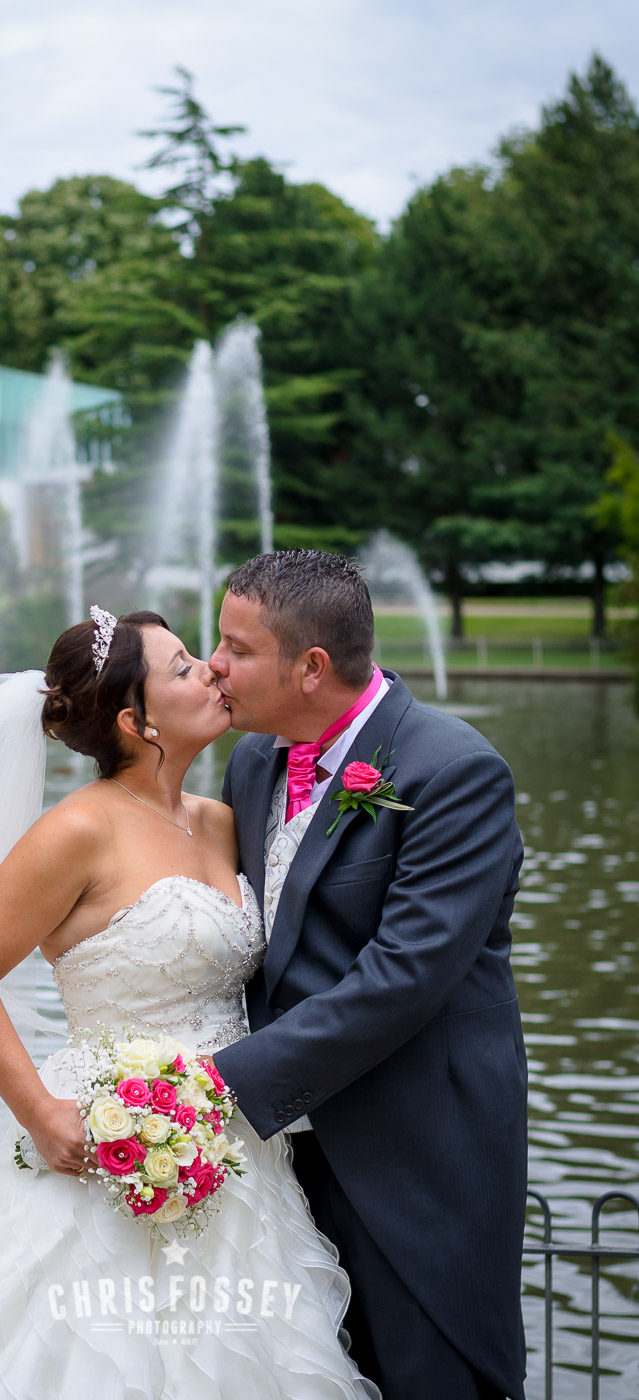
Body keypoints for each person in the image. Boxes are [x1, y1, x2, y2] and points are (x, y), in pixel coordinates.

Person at [0, 608, 380, 1400]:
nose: (212, 670)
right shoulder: (76, 829)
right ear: (134, 720)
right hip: (104, 1142)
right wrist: (39, 1111)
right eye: (183, 667)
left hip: (233, 1144)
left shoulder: (220, 822)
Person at [208, 551, 529, 1400]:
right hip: (280, 1163)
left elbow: (403, 977)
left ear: (310, 667)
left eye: (235, 648)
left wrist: (212, 1084)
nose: (214, 666)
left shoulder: (453, 772)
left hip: (418, 1157)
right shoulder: (252, 764)